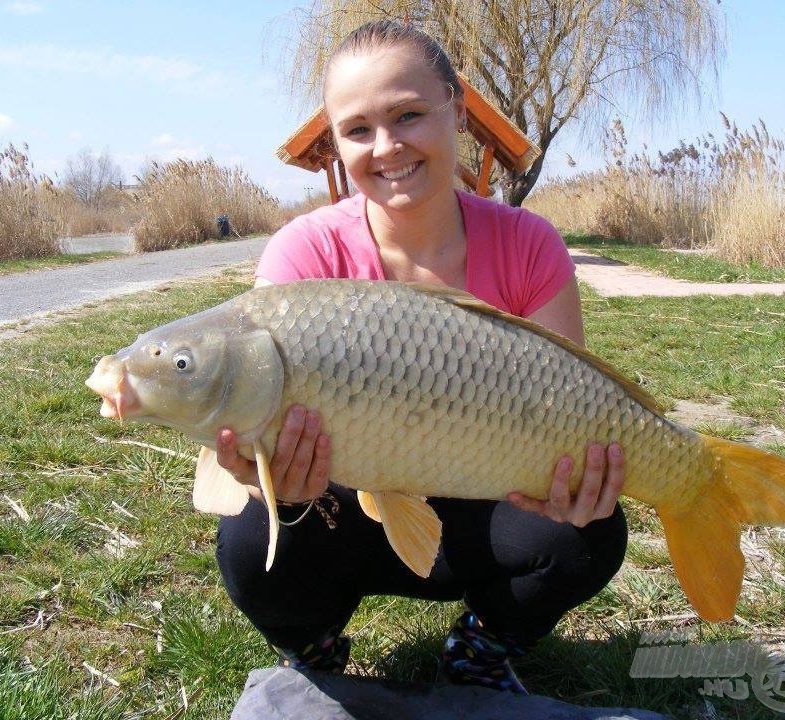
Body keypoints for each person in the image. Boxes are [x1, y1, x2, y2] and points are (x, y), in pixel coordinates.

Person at [214, 20, 627, 695]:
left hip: (489, 515)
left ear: (456, 112)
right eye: (357, 130)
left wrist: (576, 484)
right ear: (336, 142)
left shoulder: (530, 245)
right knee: (249, 532)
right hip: (343, 511)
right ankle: (312, 646)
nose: (387, 147)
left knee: (590, 531)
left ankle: (485, 647)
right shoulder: (302, 254)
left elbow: (570, 414)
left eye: (409, 115)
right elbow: (253, 406)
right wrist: (265, 478)